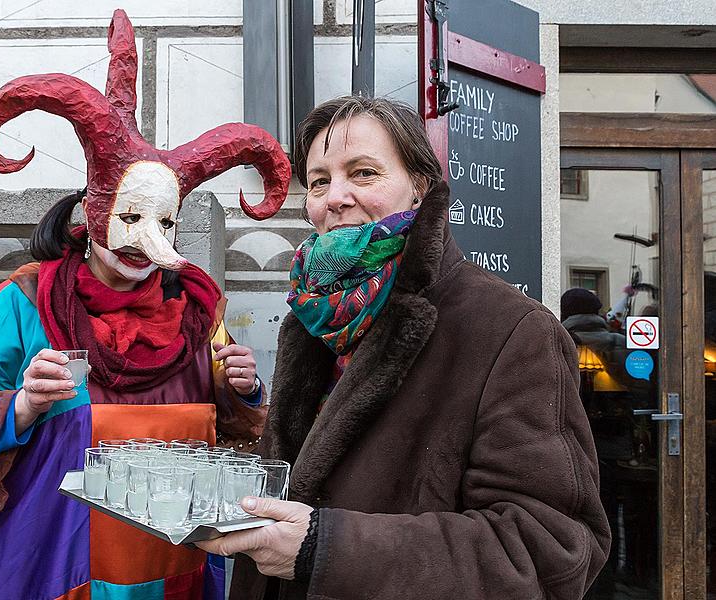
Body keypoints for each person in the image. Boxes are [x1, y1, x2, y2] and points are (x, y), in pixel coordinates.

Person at [0, 10, 291, 600]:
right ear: (95, 210)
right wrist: (19, 406)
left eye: (166, 221)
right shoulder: (28, 298)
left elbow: (234, 430)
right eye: (134, 217)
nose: (151, 240)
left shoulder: (195, 307)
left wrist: (241, 389)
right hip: (52, 560)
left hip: (172, 566)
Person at [197, 96, 611, 599]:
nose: (336, 197)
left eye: (364, 173)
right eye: (321, 181)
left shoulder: (513, 331)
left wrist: (326, 551)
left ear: (419, 186)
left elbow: (549, 551)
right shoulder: (310, 321)